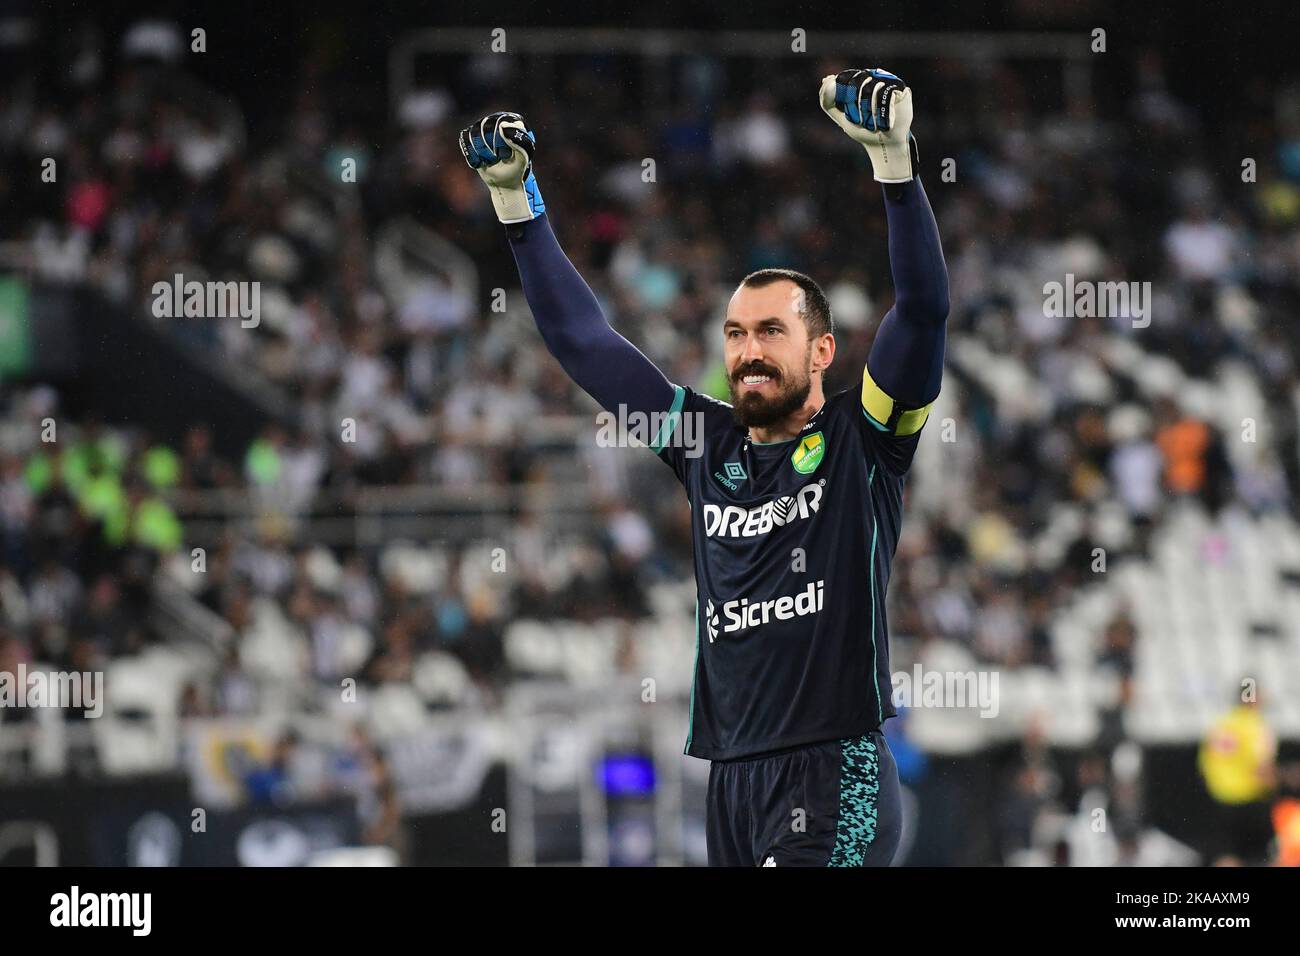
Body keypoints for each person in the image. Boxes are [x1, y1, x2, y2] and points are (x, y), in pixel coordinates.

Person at [459, 68, 949, 866]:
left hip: (834, 773)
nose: (748, 351)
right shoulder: (703, 444)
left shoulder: (868, 438)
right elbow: (584, 344)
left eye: (770, 332)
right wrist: (518, 204)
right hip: (732, 785)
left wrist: (894, 163)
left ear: (822, 351)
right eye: (734, 334)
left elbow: (923, 310)